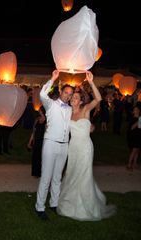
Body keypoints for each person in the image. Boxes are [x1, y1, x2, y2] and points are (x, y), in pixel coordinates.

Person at [57, 71, 116, 221]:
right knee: (71, 174)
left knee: (83, 175)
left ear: (81, 101)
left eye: (75, 97)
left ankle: (86, 207)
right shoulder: (67, 113)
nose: (72, 99)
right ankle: (69, 203)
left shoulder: (86, 110)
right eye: (72, 97)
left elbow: (98, 98)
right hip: (73, 148)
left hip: (85, 148)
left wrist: (91, 82)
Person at [35, 70, 73, 221]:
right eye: (66, 92)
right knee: (46, 176)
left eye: (70, 94)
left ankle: (54, 204)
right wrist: (53, 78)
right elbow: (42, 94)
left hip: (64, 145)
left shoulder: (70, 109)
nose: (68, 96)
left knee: (57, 177)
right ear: (61, 91)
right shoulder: (51, 104)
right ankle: (39, 207)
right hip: (50, 144)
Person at [27, 105, 46, 177]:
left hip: (43, 141)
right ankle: (36, 173)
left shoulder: (47, 120)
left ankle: (43, 173)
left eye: (40, 110)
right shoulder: (37, 119)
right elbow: (33, 132)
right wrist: (30, 142)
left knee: (43, 158)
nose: (39, 111)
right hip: (37, 140)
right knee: (36, 157)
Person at [126, 105, 141, 171]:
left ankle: (135, 163)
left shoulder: (140, 118)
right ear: (133, 112)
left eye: (137, 109)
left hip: (139, 135)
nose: (136, 110)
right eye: (135, 110)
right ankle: (129, 164)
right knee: (134, 150)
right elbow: (132, 128)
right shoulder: (132, 118)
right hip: (134, 136)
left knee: (137, 150)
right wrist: (138, 121)